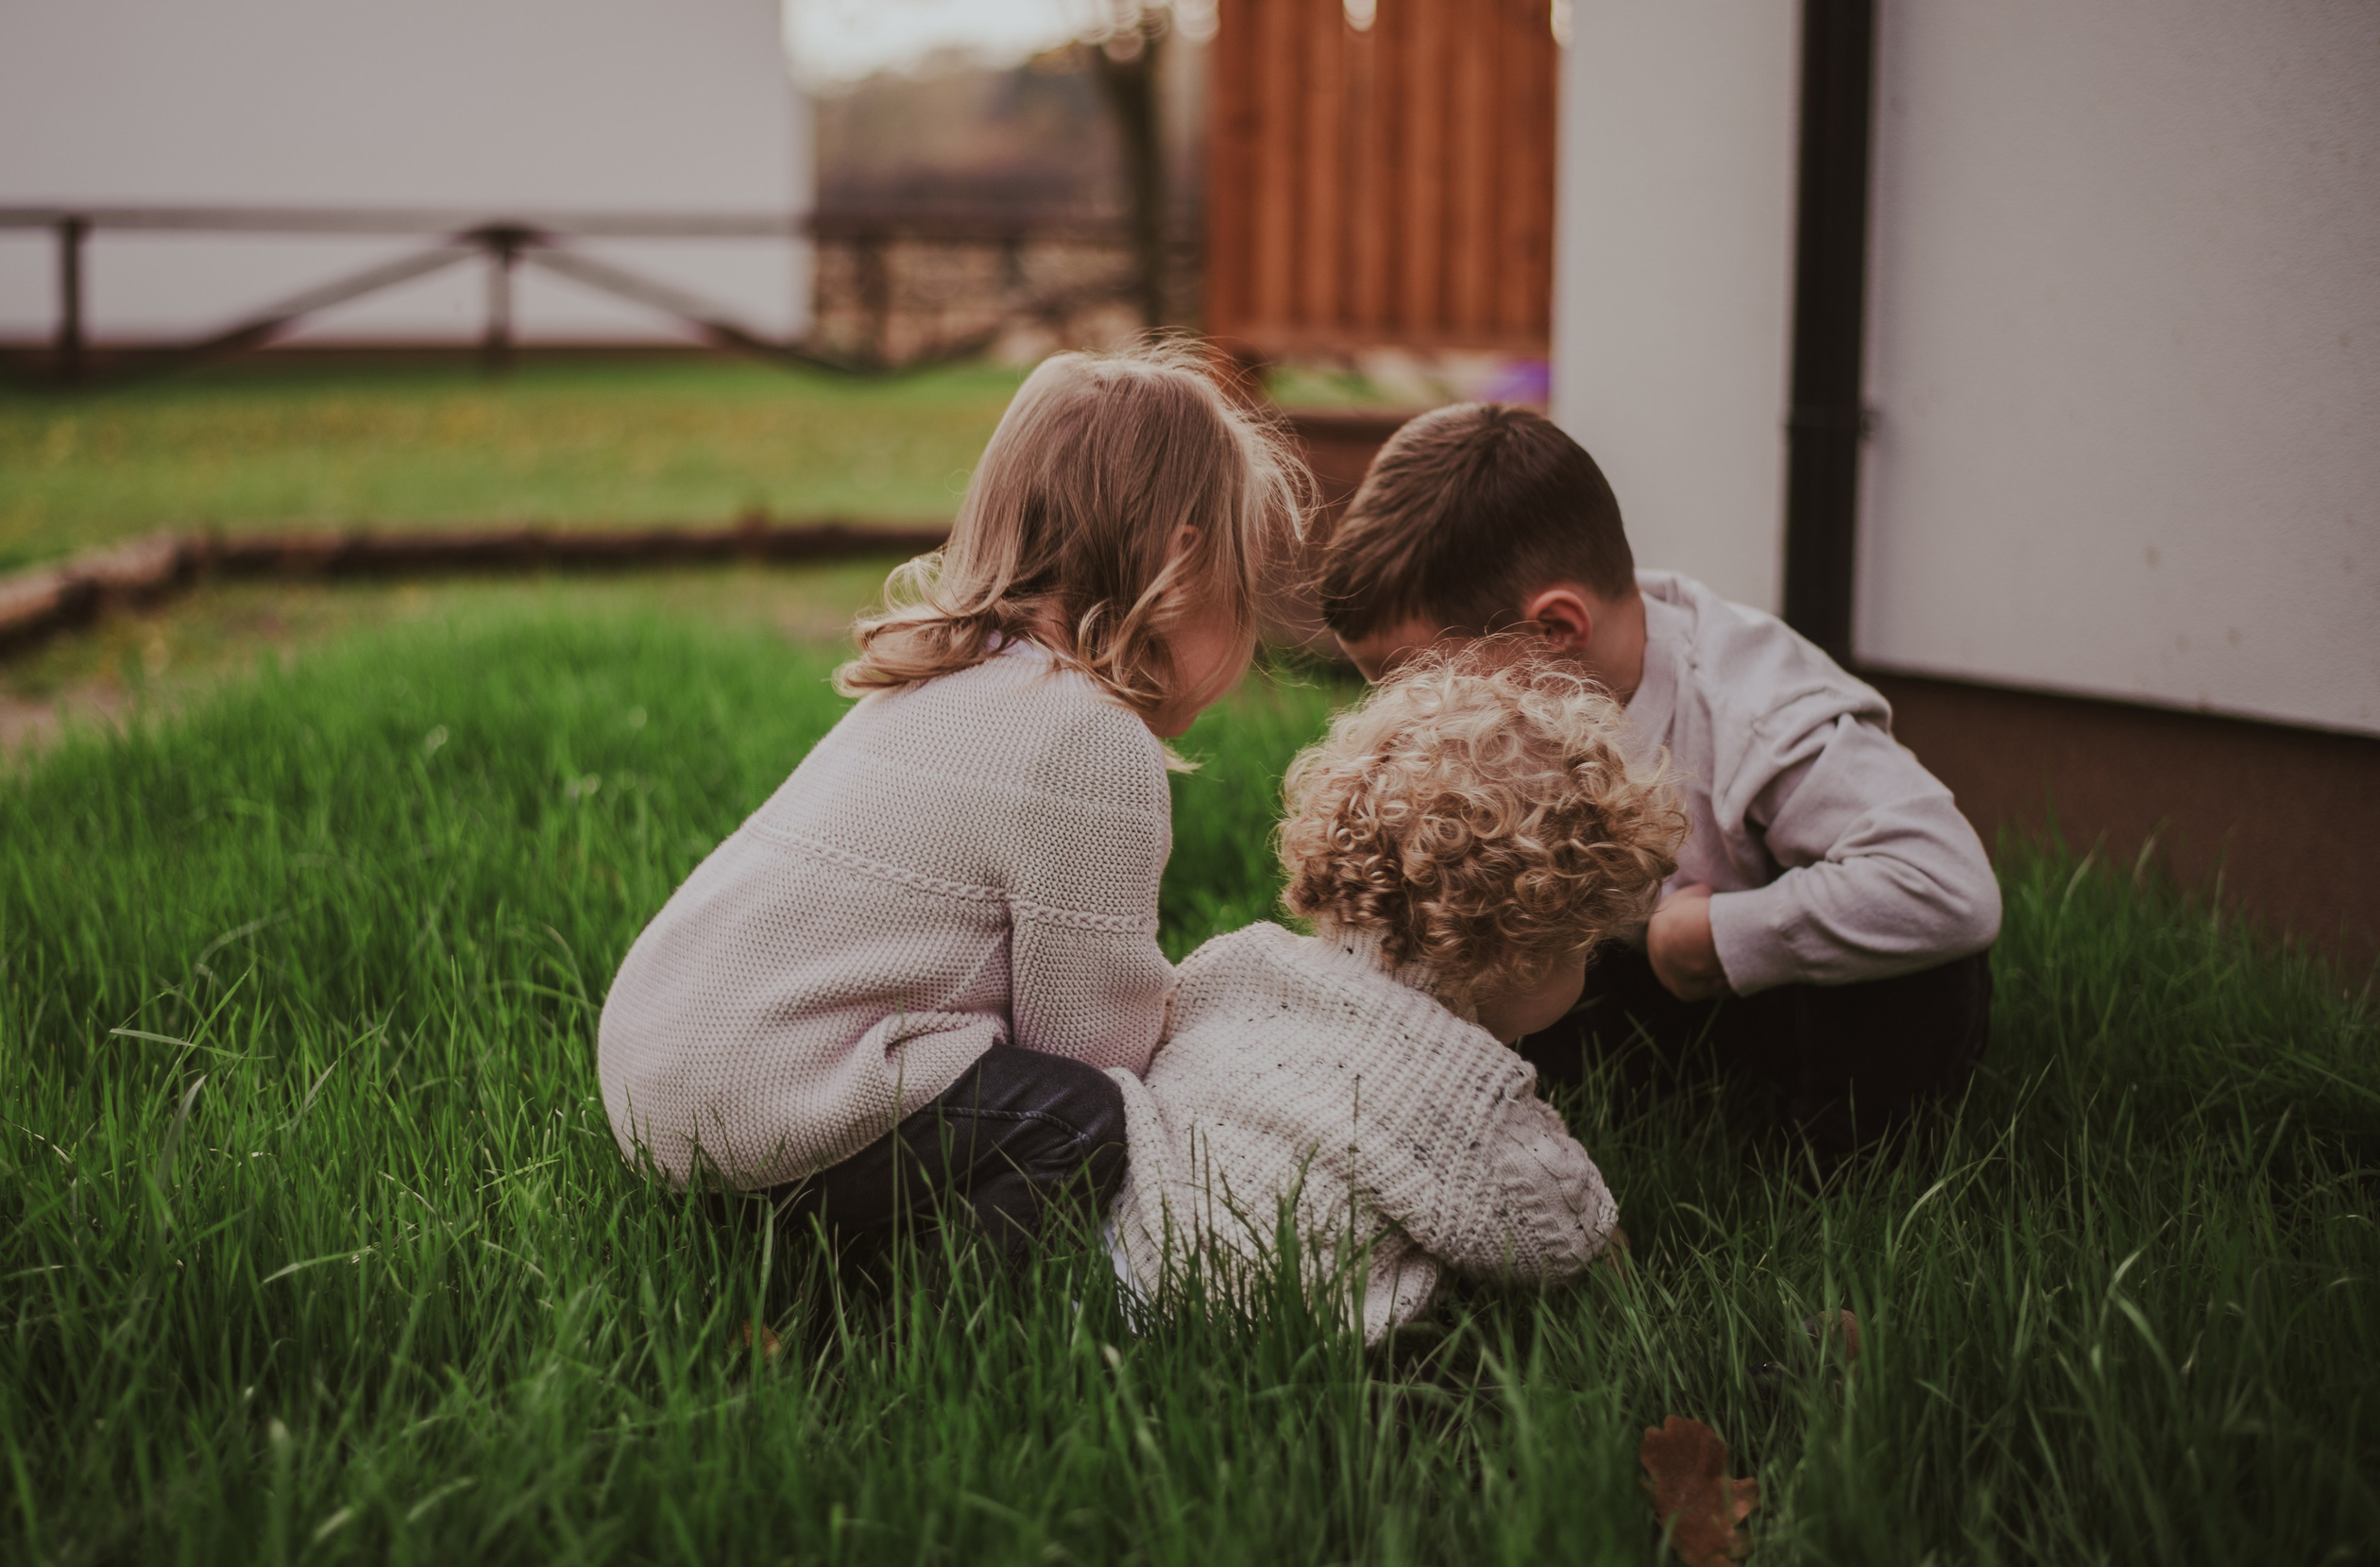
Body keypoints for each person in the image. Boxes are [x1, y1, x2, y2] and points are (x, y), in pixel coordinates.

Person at [594, 343, 1307, 1263]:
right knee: (1082, 1120)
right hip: (770, 1108)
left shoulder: (937, 681)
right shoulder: (1092, 738)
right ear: (1180, 568)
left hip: (664, 1081)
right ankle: (923, 1305)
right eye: (1244, 585)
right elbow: (1092, 1044)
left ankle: (789, 1244)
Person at [1316, 403, 2000, 1155]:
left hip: (1792, 992)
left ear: (1553, 630)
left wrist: (1721, 934)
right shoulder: (1503, 726)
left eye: (1422, 679)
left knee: (1916, 986)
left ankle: (1826, 1165)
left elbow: (1948, 886)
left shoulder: (1754, 714)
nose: (1407, 712)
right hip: (1641, 981)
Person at [1106, 655, 1682, 1341]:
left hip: (1115, 1260)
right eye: (1583, 949)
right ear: (1520, 955)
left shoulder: (1237, 962)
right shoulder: (1465, 1094)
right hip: (1250, 1332)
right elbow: (1567, 1236)